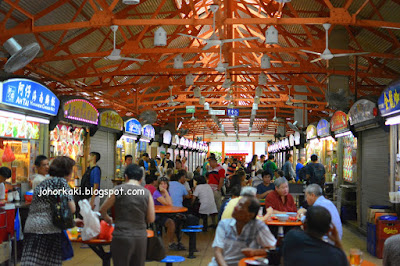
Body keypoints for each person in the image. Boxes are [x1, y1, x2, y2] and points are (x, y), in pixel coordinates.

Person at [21, 156, 79, 266]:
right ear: (67, 171)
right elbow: (72, 208)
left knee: (31, 262)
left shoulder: (43, 182)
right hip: (49, 230)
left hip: (31, 227)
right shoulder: (61, 182)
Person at [99, 164, 155, 266]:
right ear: (141, 178)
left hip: (121, 236)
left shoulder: (117, 189)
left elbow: (102, 209)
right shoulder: (146, 193)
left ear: (126, 176)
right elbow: (151, 218)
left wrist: (108, 219)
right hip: (140, 237)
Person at [209, 196, 276, 266]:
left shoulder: (258, 226)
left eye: (240, 206)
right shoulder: (224, 224)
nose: (235, 208)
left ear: (250, 215)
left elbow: (272, 250)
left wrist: (255, 252)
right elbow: (217, 251)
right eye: (237, 204)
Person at [282, 206, 348, 266]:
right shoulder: (336, 255)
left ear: (304, 226)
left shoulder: (291, 237)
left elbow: (283, 260)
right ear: (329, 230)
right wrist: (337, 242)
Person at [152, 177, 181, 250]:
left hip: (165, 214)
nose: (163, 185)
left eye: (165, 184)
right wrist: (165, 192)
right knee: (171, 223)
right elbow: (168, 204)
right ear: (158, 185)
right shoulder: (156, 193)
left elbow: (170, 203)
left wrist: (166, 192)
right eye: (161, 184)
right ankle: (171, 243)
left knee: (179, 220)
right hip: (157, 215)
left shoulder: (167, 193)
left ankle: (177, 242)